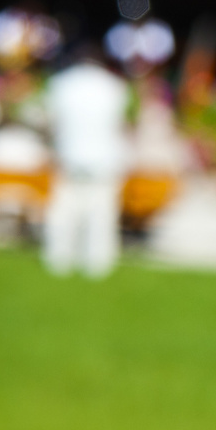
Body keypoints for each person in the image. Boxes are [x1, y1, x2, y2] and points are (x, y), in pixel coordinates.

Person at [43, 45, 131, 278]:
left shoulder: (61, 83)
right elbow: (120, 122)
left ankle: (58, 259)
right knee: (102, 214)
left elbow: (51, 120)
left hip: (69, 155)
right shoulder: (115, 86)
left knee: (63, 211)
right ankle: (98, 264)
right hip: (105, 157)